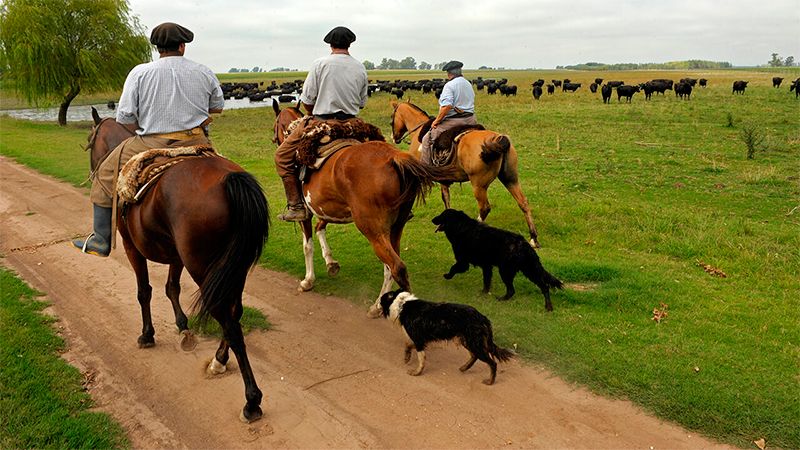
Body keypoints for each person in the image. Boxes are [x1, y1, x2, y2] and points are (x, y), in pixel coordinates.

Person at [73, 22, 224, 256]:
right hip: (196, 141)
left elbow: (124, 117)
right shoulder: (203, 71)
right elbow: (217, 107)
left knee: (104, 174)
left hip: (151, 142)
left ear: (157, 48)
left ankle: (101, 240)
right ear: (182, 47)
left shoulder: (140, 72)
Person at [274, 26, 368, 222]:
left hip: (323, 121)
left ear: (330, 44)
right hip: (353, 123)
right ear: (350, 44)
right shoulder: (359, 66)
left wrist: (310, 113)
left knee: (282, 156)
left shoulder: (320, 64)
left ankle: (297, 206)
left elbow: (307, 100)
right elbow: (362, 102)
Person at [419, 60, 477, 165]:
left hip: (455, 121)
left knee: (427, 139)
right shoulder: (468, 84)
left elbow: (447, 106)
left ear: (449, 73)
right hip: (471, 119)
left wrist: (436, 121)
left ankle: (425, 170)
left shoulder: (450, 85)